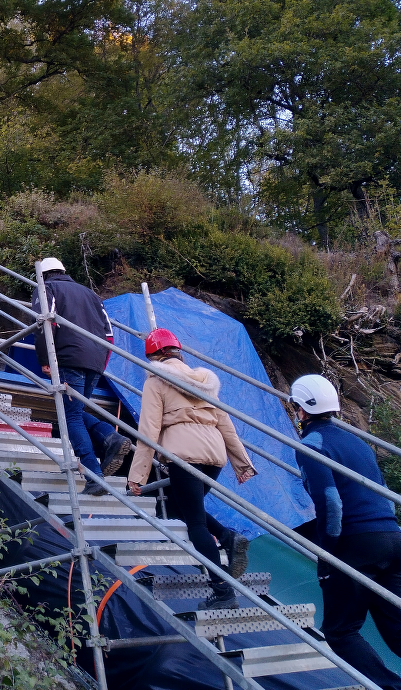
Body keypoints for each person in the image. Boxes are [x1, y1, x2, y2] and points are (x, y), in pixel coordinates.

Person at [291, 374, 401, 690]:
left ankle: (391, 688)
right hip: (392, 538)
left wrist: (326, 554)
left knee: (341, 631)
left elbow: (331, 503)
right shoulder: (358, 442)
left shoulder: (311, 445)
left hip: (355, 542)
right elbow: (384, 494)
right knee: (400, 630)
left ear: (300, 410)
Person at [126, 328, 256, 610]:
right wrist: (242, 464)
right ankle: (227, 536)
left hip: (184, 455)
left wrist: (136, 476)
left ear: (154, 356)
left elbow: (148, 430)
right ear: (178, 352)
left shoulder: (156, 381)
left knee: (194, 521)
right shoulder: (205, 381)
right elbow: (225, 424)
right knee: (181, 506)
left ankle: (222, 590)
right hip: (214, 455)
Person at [32, 257, 132, 492]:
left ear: (43, 274)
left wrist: (45, 359)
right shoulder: (91, 294)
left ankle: (93, 475)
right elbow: (109, 333)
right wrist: (101, 362)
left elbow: (44, 323)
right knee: (75, 411)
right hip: (95, 359)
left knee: (71, 418)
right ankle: (110, 436)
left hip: (69, 359)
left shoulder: (48, 288)